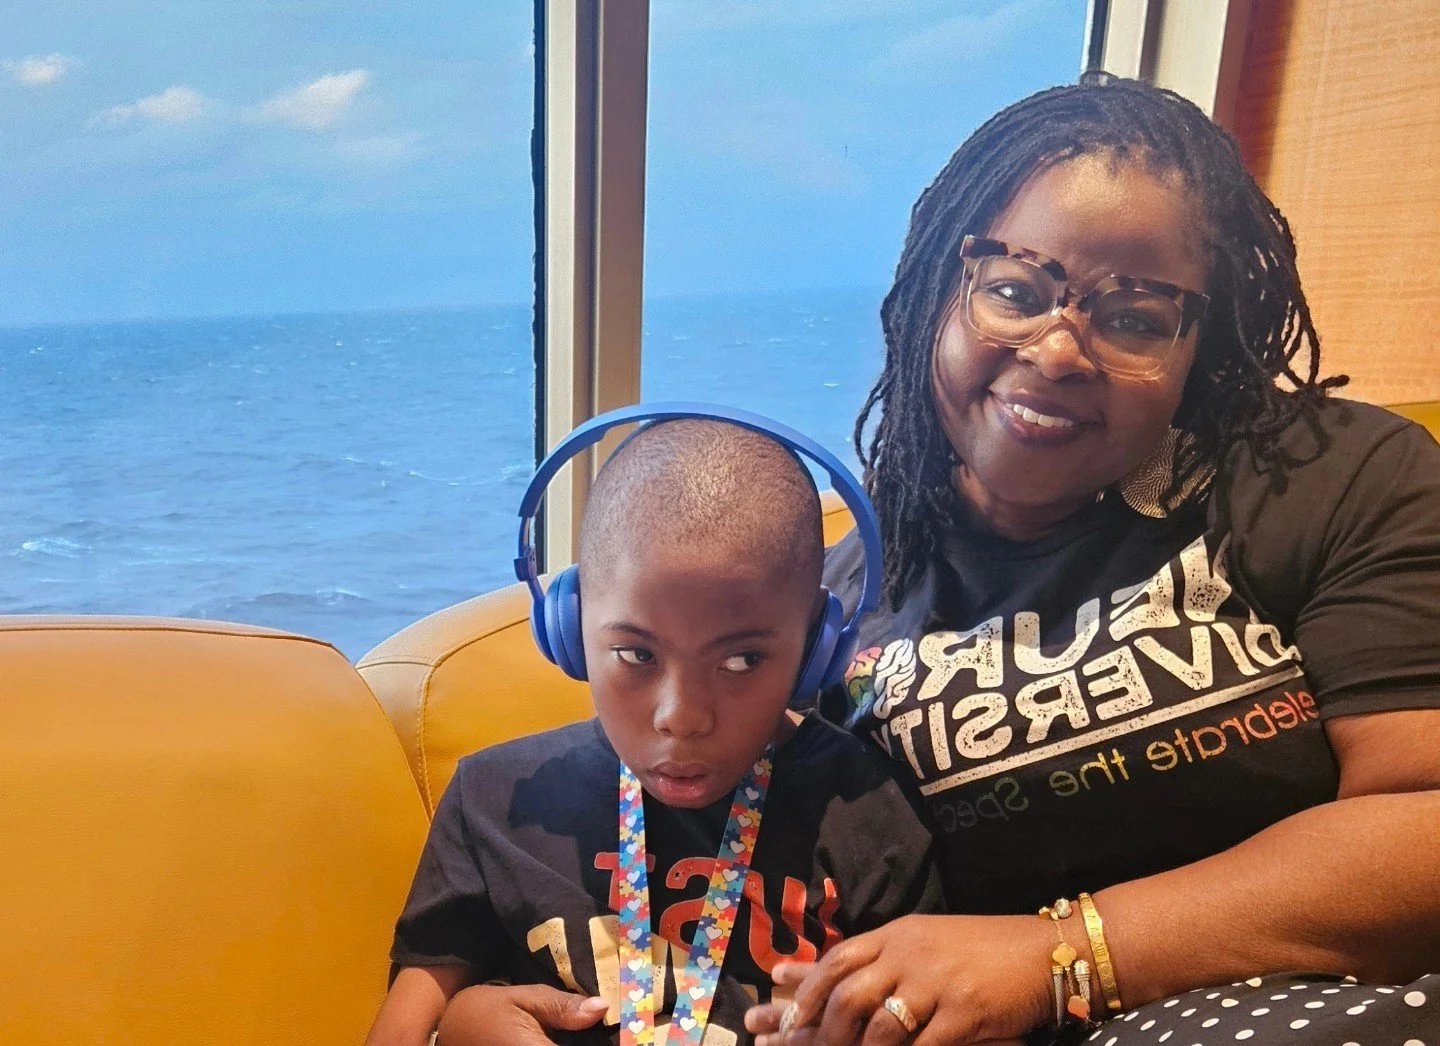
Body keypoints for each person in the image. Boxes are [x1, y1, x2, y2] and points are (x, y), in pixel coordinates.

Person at [741, 75, 1440, 1044]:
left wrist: (1060, 956)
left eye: (1136, 318)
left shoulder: (1331, 478)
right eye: (1015, 293)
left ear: (1200, 347)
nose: (1060, 349)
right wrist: (522, 985)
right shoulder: (834, 597)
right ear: (939, 294)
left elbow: (1423, 819)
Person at [365, 415, 944, 1046]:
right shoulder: (492, 803)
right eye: (637, 654)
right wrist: (460, 1026)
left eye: (742, 660)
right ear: (569, 631)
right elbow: (406, 1022)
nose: (682, 716)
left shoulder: (874, 818)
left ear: (816, 651)